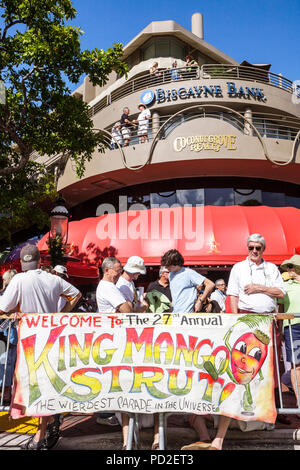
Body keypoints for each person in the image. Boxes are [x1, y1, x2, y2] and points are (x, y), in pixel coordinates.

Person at [0, 244, 82, 450]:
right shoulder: (53, 278)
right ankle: (50, 423)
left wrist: (13, 314)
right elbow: (77, 295)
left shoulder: (19, 279)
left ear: (22, 262)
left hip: (30, 340)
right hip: (52, 337)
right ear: (40, 261)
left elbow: (3, 307)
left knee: (35, 386)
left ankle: (41, 434)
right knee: (46, 383)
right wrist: (61, 314)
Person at [95, 256, 133, 448]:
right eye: (118, 269)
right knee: (119, 382)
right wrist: (131, 304)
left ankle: (125, 435)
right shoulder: (108, 287)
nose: (120, 272)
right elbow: (126, 309)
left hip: (113, 339)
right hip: (113, 340)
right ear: (107, 270)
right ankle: (107, 414)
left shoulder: (110, 287)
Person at [278, 255, 300, 413]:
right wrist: (280, 328)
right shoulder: (284, 286)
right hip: (292, 328)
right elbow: (279, 310)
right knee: (297, 367)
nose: (290, 270)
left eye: (293, 266)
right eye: (289, 267)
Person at [160, 249, 214, 313]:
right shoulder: (171, 275)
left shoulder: (189, 273)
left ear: (175, 263)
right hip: (175, 313)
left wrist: (200, 301)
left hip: (188, 315)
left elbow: (210, 284)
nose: (166, 267)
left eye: (168, 265)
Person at [0, 269, 18, 405]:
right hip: (8, 335)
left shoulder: (7, 295)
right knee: (8, 363)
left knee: (8, 363)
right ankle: (6, 393)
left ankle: (6, 393)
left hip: (10, 335)